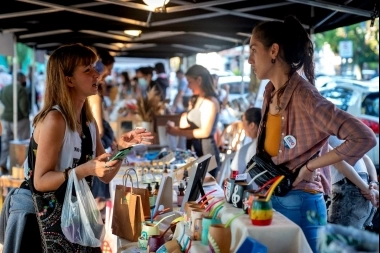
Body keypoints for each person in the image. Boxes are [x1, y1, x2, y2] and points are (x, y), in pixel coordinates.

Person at [0, 43, 154, 252]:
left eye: (94, 67)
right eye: (87, 70)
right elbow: (40, 181)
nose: (97, 74)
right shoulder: (55, 119)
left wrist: (122, 148)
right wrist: (86, 169)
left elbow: (105, 174)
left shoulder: (88, 122)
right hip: (39, 220)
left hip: (71, 217)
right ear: (68, 80)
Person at [248, 16, 377, 252]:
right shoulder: (270, 92)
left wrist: (310, 167)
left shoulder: (306, 96)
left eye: (254, 50)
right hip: (274, 196)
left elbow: (364, 137)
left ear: (274, 51)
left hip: (301, 202)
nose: (249, 60)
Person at [167, 64, 220, 178]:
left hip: (207, 152)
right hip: (195, 150)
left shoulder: (210, 101)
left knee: (205, 191)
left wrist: (177, 132)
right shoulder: (196, 99)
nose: (188, 86)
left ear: (199, 80)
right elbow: (188, 123)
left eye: (190, 82)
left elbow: (204, 132)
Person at [88, 49, 117, 214]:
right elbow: (98, 130)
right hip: (97, 155)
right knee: (97, 202)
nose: (109, 73)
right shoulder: (94, 97)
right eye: (108, 68)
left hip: (96, 155)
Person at [327, 136, 378, 230]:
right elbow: (365, 157)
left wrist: (369, 188)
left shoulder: (317, 126)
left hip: (349, 190)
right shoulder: (339, 127)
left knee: (340, 241)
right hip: (362, 184)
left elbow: (337, 160)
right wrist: (373, 184)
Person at [0, 72, 30, 174]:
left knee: (5, 143)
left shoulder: (5, 88)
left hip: (5, 119)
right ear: (21, 78)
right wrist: (26, 115)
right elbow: (23, 106)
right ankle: (20, 166)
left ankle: (2, 164)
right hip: (18, 120)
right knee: (22, 143)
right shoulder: (20, 89)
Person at [230, 107, 261, 175]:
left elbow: (234, 175)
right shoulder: (269, 146)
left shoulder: (245, 150)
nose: (242, 126)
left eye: (243, 122)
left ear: (252, 125)